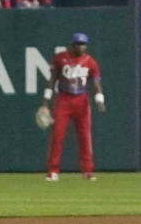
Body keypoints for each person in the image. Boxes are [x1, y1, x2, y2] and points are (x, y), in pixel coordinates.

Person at [40, 33, 106, 182]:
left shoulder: (90, 62)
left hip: (81, 100)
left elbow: (96, 83)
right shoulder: (60, 58)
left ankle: (87, 171)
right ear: (73, 45)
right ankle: (53, 170)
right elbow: (52, 79)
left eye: (83, 44)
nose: (80, 47)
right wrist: (46, 101)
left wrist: (99, 99)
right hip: (63, 99)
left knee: (84, 136)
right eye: (78, 44)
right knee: (57, 136)